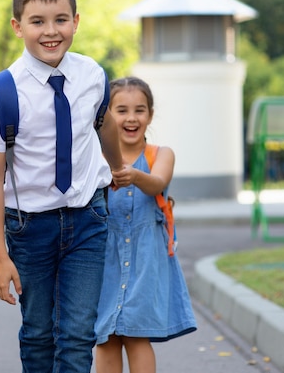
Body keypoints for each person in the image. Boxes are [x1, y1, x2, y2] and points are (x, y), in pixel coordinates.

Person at [0, 0, 122, 373]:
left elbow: (102, 127)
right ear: (18, 27)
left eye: (61, 19)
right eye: (38, 22)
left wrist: (118, 169)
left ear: (76, 21)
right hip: (29, 227)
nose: (51, 31)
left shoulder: (93, 76)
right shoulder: (1, 93)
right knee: (38, 333)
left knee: (78, 334)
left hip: (88, 220)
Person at [94, 77, 197, 373]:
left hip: (146, 261)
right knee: (106, 337)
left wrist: (134, 176)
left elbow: (157, 183)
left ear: (150, 115)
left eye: (139, 110)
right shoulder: (95, 157)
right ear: (107, 116)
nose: (131, 118)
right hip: (104, 259)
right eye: (121, 110)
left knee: (137, 336)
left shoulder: (160, 155)